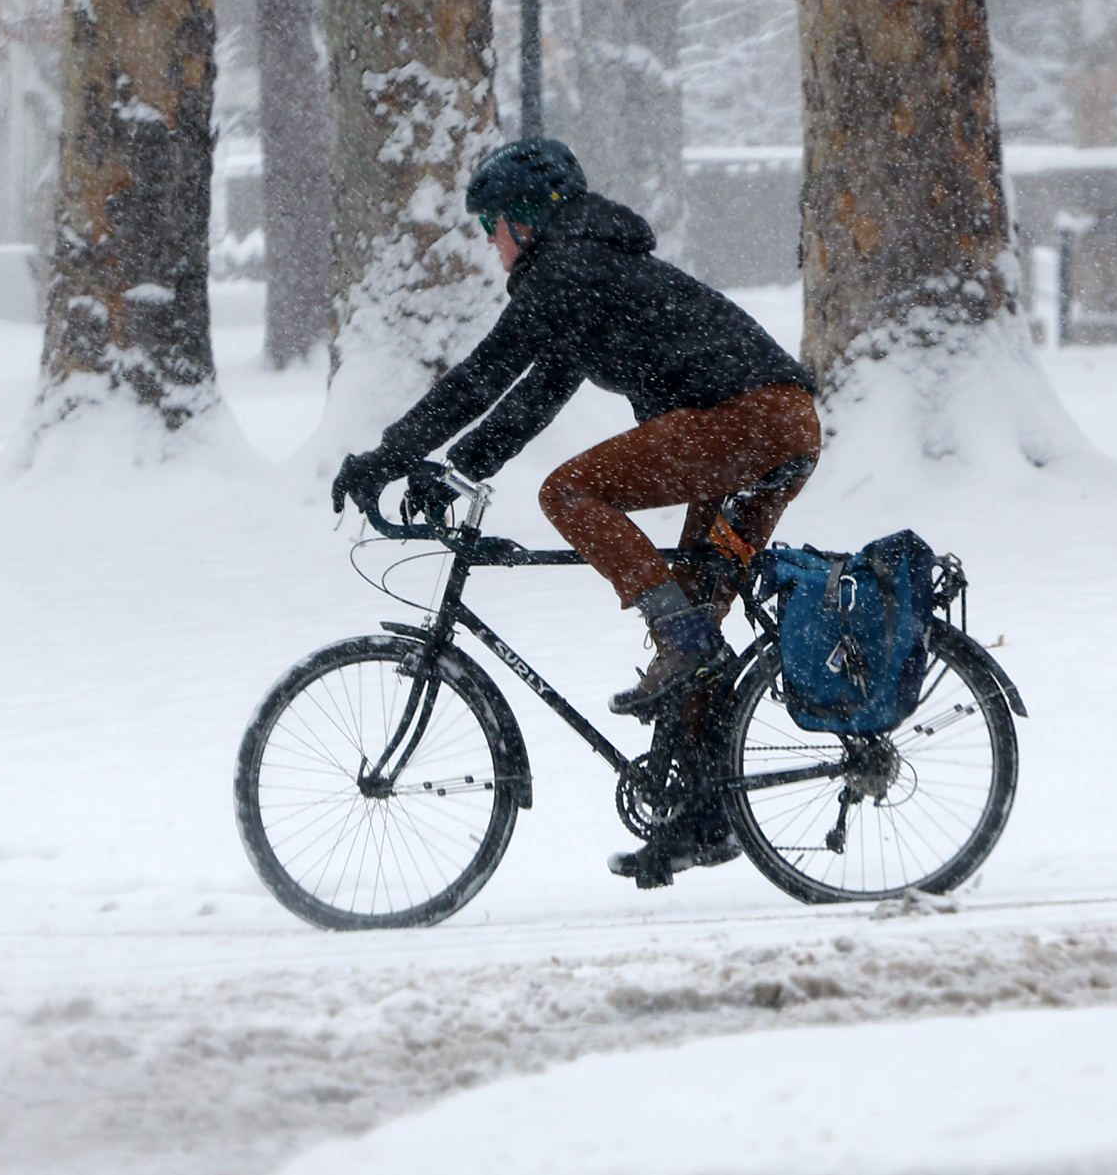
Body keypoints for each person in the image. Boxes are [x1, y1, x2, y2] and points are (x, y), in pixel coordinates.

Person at [330, 139, 821, 874]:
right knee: (695, 617)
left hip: (745, 421)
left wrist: (390, 454)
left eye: (490, 223)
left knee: (570, 493)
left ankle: (683, 641)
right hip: (779, 426)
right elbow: (530, 396)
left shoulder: (567, 270)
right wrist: (454, 464)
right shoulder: (587, 272)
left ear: (526, 219)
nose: (488, 241)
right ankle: (706, 815)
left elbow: (483, 373)